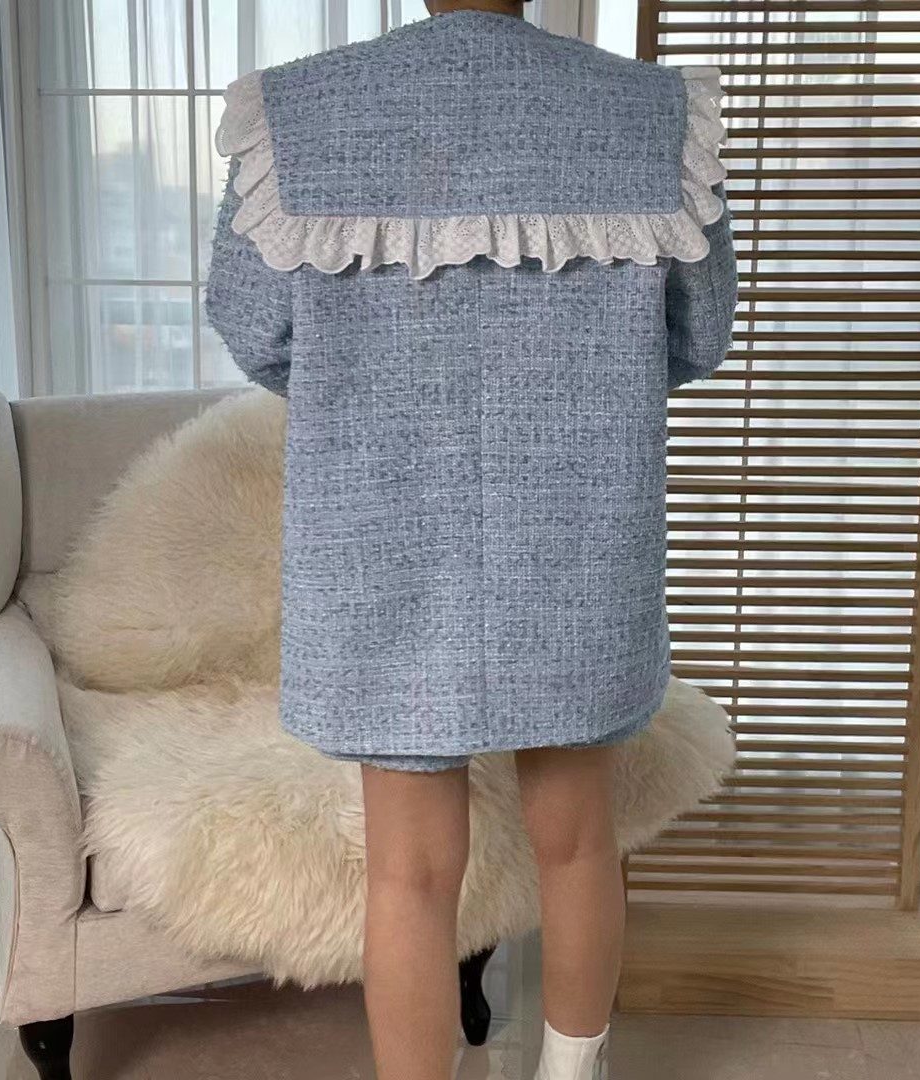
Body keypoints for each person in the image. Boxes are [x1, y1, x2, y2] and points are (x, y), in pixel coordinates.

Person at [204, 1, 736, 1077]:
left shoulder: (300, 112)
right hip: (580, 526)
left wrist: (370, 381)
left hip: (381, 526)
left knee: (407, 871)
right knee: (577, 841)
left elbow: (253, 328)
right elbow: (698, 333)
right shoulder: (650, 112)